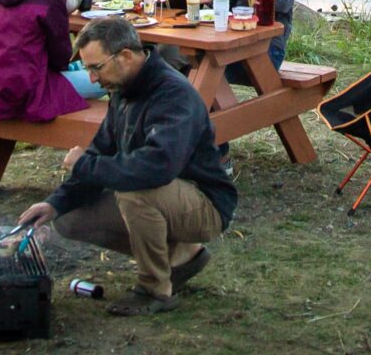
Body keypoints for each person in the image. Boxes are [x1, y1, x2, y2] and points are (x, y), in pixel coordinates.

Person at [18, 16, 235, 315]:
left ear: (126, 56)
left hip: (205, 203)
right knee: (69, 218)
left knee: (136, 193)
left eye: (96, 67)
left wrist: (85, 166)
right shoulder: (122, 92)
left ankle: (154, 290)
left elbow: (157, 168)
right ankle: (180, 257)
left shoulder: (173, 94)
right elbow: (100, 151)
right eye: (87, 69)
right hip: (166, 195)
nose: (92, 79)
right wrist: (56, 203)